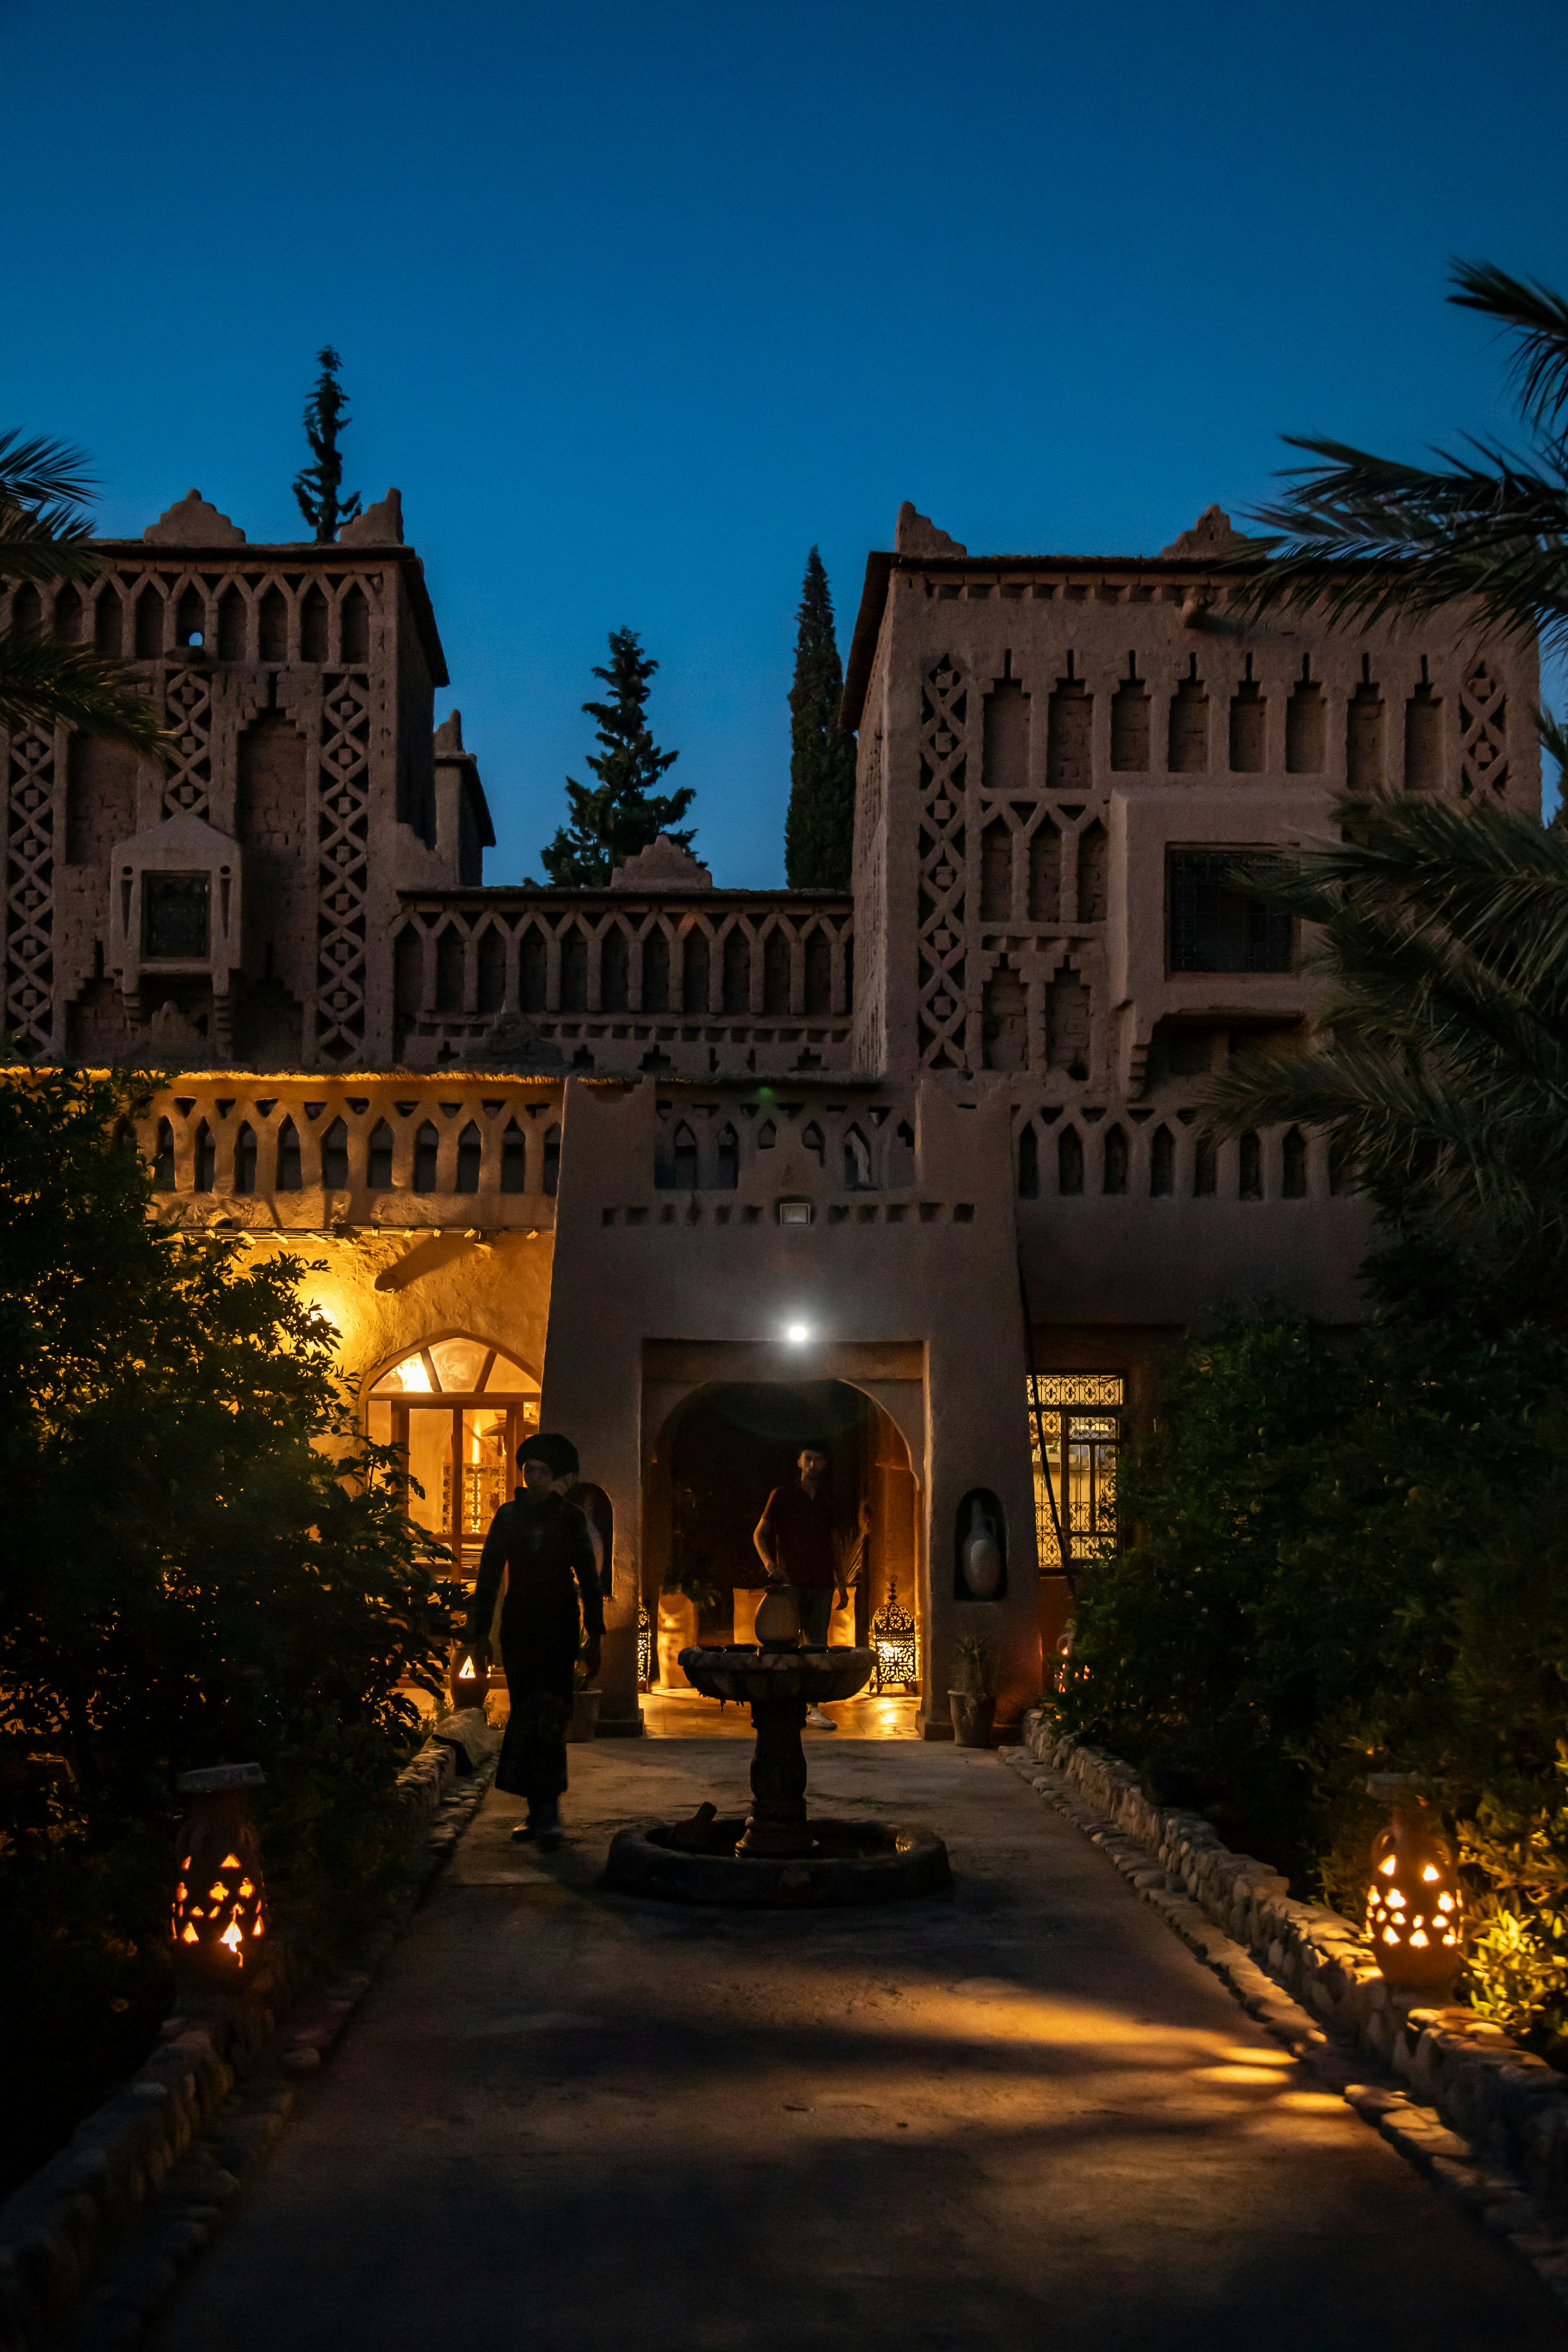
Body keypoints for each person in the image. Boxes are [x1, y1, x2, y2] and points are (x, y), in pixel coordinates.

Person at [456, 1431, 602, 1852]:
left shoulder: (570, 1518)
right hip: (519, 1624)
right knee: (525, 1714)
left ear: (556, 1477)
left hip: (557, 1625)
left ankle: (547, 1809)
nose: (535, 1477)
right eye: (529, 1470)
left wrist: (595, 1636)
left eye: (543, 1471)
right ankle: (538, 1811)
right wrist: (479, 1634)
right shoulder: (507, 1516)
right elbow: (487, 1576)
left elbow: (589, 1582)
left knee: (551, 1715)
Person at [753, 1441, 868, 1730]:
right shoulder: (782, 1495)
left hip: (821, 1582)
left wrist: (841, 1584)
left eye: (818, 1460)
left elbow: (832, 1544)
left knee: (817, 1644)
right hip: (790, 1582)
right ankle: (788, 1702)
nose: (813, 1465)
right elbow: (760, 1534)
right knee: (788, 1642)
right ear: (799, 1462)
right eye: (808, 1459)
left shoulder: (829, 1499)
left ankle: (814, 1707)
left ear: (825, 1464)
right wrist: (770, 1566)